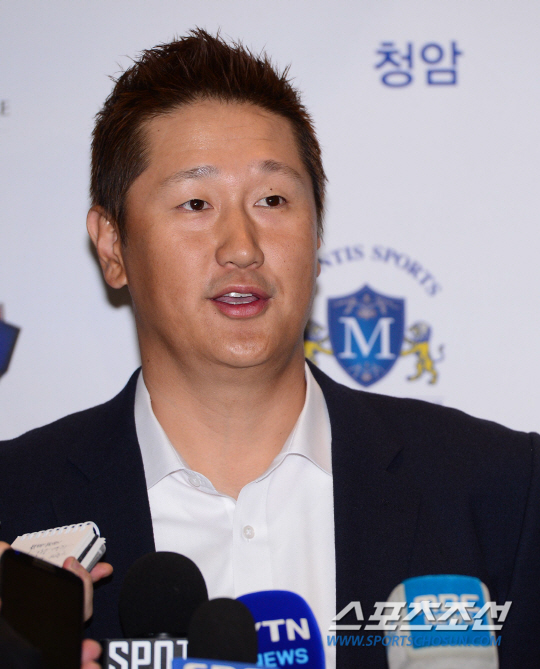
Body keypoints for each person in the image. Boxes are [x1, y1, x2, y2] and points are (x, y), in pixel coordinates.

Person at [1, 29, 540, 669]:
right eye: (196, 203)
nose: (242, 247)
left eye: (272, 200)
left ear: (316, 232)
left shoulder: (501, 492)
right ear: (113, 245)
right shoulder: (16, 505)